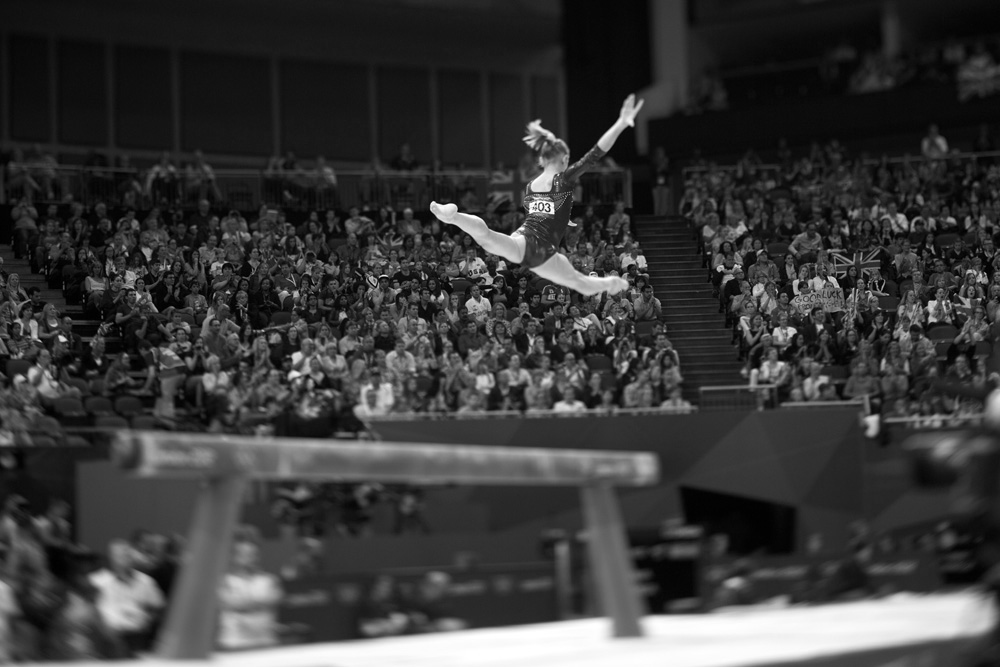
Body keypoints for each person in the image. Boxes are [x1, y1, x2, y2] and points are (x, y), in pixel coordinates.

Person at [428, 94, 644, 296]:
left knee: (486, 238)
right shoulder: (563, 180)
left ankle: (453, 216)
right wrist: (621, 123)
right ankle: (613, 283)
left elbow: (540, 219)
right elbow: (595, 154)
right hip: (542, 250)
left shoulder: (531, 186)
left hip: (521, 240)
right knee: (581, 284)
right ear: (564, 158)